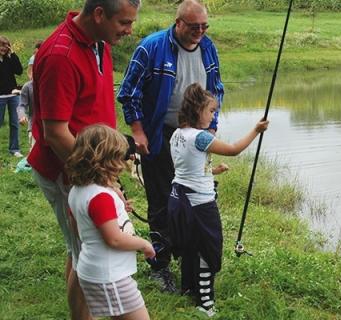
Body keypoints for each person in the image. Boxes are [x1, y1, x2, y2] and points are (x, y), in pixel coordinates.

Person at [26, 1, 140, 319]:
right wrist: (100, 179)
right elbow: (56, 133)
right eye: (125, 22)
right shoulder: (61, 54)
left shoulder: (99, 42)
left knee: (78, 248)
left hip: (92, 168)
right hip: (67, 169)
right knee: (87, 254)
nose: (129, 31)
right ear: (99, 14)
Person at [117, 0, 224, 293]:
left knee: (197, 197)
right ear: (178, 23)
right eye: (193, 26)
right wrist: (138, 132)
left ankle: (190, 259)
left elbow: (217, 89)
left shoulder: (208, 47)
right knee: (162, 199)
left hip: (197, 134)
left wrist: (211, 129)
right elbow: (129, 93)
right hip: (160, 133)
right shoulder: (151, 47)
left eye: (204, 26)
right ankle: (160, 265)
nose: (199, 32)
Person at [168, 83, 267, 317]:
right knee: (208, 252)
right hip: (200, 205)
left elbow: (186, 169)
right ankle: (206, 304)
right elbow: (233, 149)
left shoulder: (176, 134)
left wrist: (213, 171)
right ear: (198, 110)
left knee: (191, 248)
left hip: (179, 199)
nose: (213, 117)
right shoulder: (200, 137)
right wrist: (256, 130)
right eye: (211, 111)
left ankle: (189, 290)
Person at [66, 124, 155, 320]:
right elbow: (114, 239)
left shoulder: (77, 191)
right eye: (119, 158)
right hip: (110, 277)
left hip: (95, 271)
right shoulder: (100, 198)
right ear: (105, 161)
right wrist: (144, 244)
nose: (123, 163)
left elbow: (77, 228)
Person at [0, 35, 23, 157]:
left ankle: (14, 149)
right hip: (0, 97)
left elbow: (19, 71)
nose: (3, 48)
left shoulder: (10, 59)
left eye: (6, 45)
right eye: (1, 45)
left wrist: (13, 53)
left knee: (15, 122)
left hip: (13, 95)